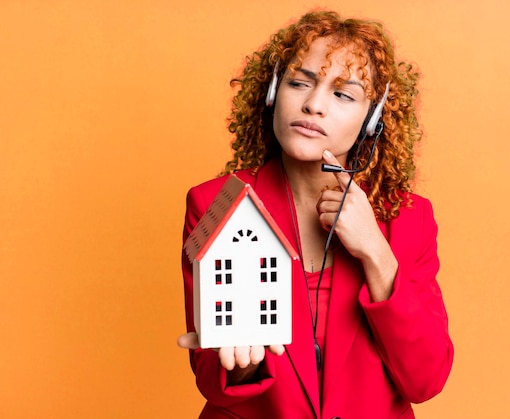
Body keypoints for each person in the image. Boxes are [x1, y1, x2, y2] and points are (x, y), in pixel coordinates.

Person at [178, 10, 453, 418]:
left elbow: (425, 380)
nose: (313, 105)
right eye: (299, 82)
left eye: (343, 94)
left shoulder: (408, 217)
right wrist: (240, 363)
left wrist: (376, 252)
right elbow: (214, 382)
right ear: (272, 92)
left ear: (372, 120)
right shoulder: (216, 203)